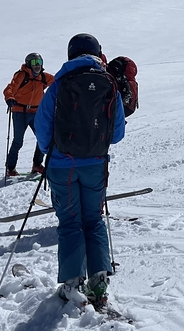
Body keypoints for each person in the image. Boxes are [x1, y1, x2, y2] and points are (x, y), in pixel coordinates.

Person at [34, 33, 126, 308]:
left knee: (70, 222)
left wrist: (55, 149)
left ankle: (73, 284)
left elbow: (42, 131)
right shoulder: (108, 85)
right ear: (98, 53)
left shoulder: (58, 86)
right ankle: (99, 282)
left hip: (62, 166)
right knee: (93, 220)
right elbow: (117, 133)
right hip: (96, 164)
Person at [2, 52, 54, 176]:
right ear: (28, 64)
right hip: (20, 112)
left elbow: (57, 80)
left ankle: (37, 165)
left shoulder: (43, 77)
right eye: (34, 63)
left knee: (43, 138)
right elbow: (9, 88)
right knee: (18, 141)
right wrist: (9, 98)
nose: (37, 66)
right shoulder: (21, 75)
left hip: (36, 112)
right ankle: (10, 168)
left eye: (39, 63)